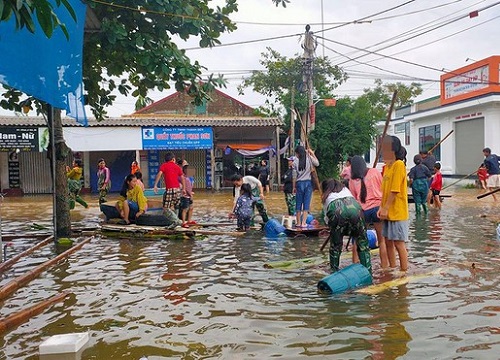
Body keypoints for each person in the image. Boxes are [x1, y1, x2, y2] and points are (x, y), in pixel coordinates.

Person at [322, 178, 372, 274]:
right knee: (362, 243)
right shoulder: (346, 190)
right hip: (355, 210)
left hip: (337, 212)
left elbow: (326, 219)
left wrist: (334, 231)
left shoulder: (327, 197)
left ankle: (334, 272)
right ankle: (368, 272)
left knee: (336, 246)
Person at [349, 155, 388, 269]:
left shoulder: (352, 179)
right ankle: (385, 267)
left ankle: (356, 266)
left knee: (357, 241)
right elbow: (383, 188)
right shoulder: (375, 172)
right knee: (382, 241)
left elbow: (353, 198)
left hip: (363, 211)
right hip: (378, 209)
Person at [378, 135, 409, 272]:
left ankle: (404, 272)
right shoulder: (387, 167)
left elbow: (395, 190)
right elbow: (384, 191)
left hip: (397, 212)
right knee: (388, 242)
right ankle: (392, 268)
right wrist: (381, 207)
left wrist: (385, 207)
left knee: (398, 243)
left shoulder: (399, 165)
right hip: (387, 212)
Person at [292, 145, 319, 228]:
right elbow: (317, 164)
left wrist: (294, 187)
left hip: (299, 183)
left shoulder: (295, 162)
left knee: (298, 204)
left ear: (297, 153)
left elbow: (294, 176)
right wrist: (312, 153)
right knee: (306, 204)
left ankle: (298, 223)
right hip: (308, 183)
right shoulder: (309, 158)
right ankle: (304, 223)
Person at [179, 163, 195, 228]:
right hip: (185, 196)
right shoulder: (184, 178)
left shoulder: (189, 178)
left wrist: (191, 194)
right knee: (185, 209)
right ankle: (183, 222)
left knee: (191, 208)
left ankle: (189, 220)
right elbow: (186, 188)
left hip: (189, 195)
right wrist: (190, 194)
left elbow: (190, 187)